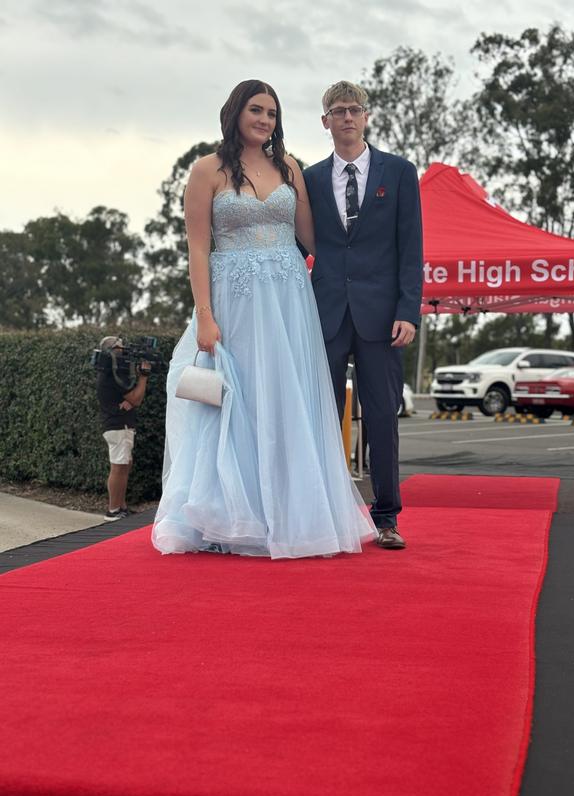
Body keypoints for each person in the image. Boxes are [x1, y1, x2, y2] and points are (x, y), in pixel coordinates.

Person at [151, 80, 376, 558]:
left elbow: (316, 241)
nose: (265, 120)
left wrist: (372, 273)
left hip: (290, 299)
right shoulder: (206, 171)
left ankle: (295, 514)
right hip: (233, 302)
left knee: (285, 399)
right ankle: (233, 516)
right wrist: (204, 317)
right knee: (237, 404)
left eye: (272, 113)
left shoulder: (287, 167)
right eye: (256, 110)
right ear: (235, 112)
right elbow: (196, 248)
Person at [303, 81, 424, 550]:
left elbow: (411, 247)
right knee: (321, 416)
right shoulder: (310, 179)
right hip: (326, 313)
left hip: (382, 317)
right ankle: (322, 513)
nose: (347, 117)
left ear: (366, 116)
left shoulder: (398, 172)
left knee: (381, 417)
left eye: (355, 110)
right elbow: (298, 244)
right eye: (338, 111)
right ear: (325, 121)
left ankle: (387, 517)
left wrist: (408, 310)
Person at [96, 336, 150, 521]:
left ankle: (121, 506)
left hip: (120, 424)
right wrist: (143, 377)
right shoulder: (112, 374)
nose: (124, 349)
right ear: (112, 350)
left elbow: (130, 399)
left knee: (125, 464)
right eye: (120, 346)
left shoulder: (112, 373)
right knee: (118, 466)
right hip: (118, 425)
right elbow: (136, 398)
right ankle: (113, 510)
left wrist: (130, 399)